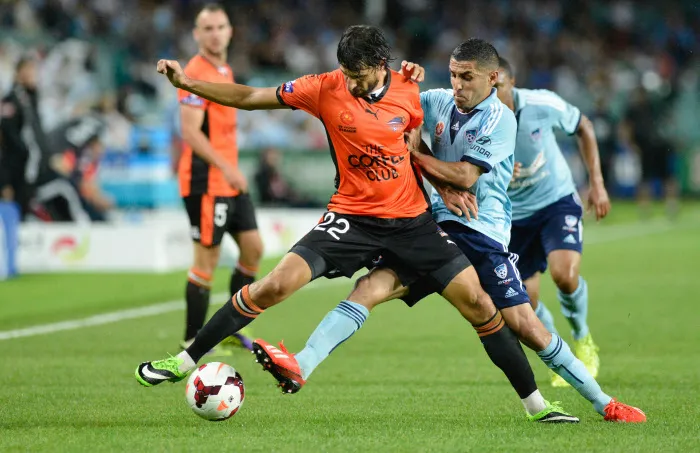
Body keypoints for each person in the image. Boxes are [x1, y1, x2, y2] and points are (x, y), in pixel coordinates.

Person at [136, 25, 574, 423]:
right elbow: (252, 97)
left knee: (479, 305)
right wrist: (188, 83)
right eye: (346, 73)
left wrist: (443, 189)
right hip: (351, 217)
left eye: (359, 76)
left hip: (412, 222)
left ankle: (536, 407)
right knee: (273, 285)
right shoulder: (323, 87)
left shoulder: (410, 90)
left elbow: (413, 149)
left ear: (381, 68)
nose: (351, 83)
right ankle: (185, 360)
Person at [252, 41, 645, 423]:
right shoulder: (438, 99)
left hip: (481, 234)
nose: (458, 85)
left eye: (468, 77)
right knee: (368, 289)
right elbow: (391, 108)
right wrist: (398, 77)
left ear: (493, 78)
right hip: (431, 228)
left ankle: (603, 403)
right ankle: (300, 365)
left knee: (526, 325)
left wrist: (416, 154)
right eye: (454, 75)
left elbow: (465, 176)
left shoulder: (500, 119)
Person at [495, 57, 610, 387]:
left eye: (499, 86)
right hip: (513, 218)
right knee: (525, 304)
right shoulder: (477, 117)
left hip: (555, 202)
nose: (493, 95)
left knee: (564, 274)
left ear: (512, 82)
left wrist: (597, 182)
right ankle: (563, 354)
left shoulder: (541, 104)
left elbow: (583, 126)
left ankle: (583, 338)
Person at [176, 4, 263, 353]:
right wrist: (225, 166)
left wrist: (231, 169)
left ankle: (228, 326)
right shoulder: (194, 73)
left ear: (230, 31)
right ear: (197, 35)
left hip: (229, 180)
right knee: (206, 261)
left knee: (254, 249)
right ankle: (192, 338)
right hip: (206, 181)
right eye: (207, 28)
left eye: (220, 26)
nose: (214, 33)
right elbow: (190, 132)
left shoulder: (224, 70)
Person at [0, 54, 51, 220]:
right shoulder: (12, 100)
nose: (33, 74)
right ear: (18, 72)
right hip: (19, 170)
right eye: (28, 69)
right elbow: (8, 140)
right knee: (17, 210)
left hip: (32, 167)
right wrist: (5, 180)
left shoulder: (30, 99)